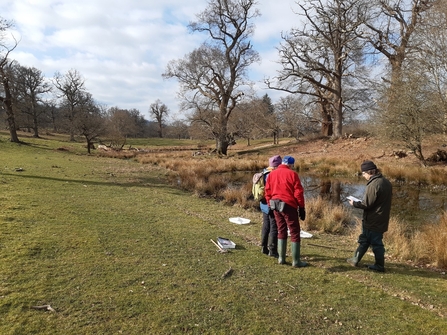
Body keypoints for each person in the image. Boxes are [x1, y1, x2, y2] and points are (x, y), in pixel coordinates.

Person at [347, 160, 392, 272]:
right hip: (381, 218)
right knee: (365, 239)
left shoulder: (374, 185)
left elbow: (366, 204)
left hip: (374, 219)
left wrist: (354, 203)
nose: (363, 176)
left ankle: (379, 266)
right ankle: (355, 259)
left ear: (369, 172)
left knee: (376, 243)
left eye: (363, 173)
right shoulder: (386, 182)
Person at [264, 155, 307, 267]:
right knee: (294, 231)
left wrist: (269, 204)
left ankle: (281, 259)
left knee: (281, 229)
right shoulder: (293, 174)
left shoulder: (272, 174)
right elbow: (298, 193)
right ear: (291, 164)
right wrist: (301, 208)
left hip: (275, 204)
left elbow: (267, 191)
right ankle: (296, 261)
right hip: (288, 205)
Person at [260, 155, 282, 258]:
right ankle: (273, 250)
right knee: (274, 226)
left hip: (263, 203)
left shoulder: (263, 172)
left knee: (266, 225)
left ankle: (263, 247)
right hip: (272, 203)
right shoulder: (273, 174)